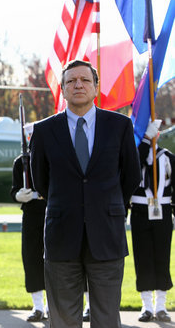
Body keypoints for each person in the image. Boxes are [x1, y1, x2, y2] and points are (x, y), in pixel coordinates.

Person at [30, 59, 141, 328]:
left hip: (107, 235)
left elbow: (131, 176)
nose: (78, 85)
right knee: (63, 319)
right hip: (61, 237)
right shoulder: (44, 130)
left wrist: (106, 206)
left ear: (95, 87)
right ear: (63, 89)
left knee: (106, 318)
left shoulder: (119, 126)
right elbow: (40, 181)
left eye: (84, 80)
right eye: (71, 81)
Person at [130, 119, 174, 322]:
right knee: (143, 258)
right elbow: (132, 169)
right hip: (140, 211)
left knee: (162, 258)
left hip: (162, 211)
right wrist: (144, 141)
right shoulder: (136, 155)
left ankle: (161, 306)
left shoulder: (167, 158)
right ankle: (146, 306)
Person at [11, 124, 47, 322]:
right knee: (32, 258)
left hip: (51, 212)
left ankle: (52, 305)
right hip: (32, 214)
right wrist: (19, 195)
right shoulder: (20, 162)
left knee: (52, 260)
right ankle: (38, 306)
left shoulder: (51, 158)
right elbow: (14, 188)